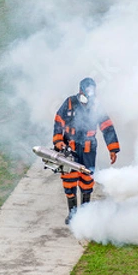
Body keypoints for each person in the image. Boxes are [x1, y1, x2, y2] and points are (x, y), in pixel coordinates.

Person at [53, 77, 120, 224]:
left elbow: (107, 126)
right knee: (69, 181)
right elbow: (58, 121)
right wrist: (58, 141)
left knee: (87, 179)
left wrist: (112, 148)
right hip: (69, 147)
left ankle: (85, 214)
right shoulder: (69, 103)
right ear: (80, 91)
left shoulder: (97, 106)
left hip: (89, 148)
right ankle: (72, 214)